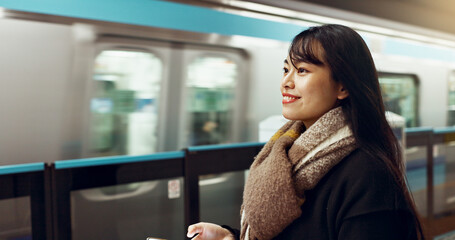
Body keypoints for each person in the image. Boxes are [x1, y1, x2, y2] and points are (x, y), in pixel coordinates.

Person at [187, 24, 425, 240]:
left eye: (302, 70)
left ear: (343, 86)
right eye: (285, 69)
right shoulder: (285, 153)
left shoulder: (369, 175)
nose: (286, 82)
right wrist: (230, 237)